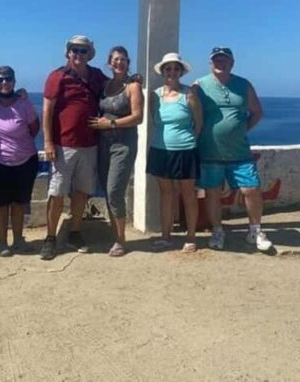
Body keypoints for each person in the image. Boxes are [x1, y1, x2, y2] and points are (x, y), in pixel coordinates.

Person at [194, 46, 273, 252]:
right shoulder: (199, 85)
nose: (220, 63)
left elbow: (257, 112)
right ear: (210, 63)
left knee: (251, 189)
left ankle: (255, 231)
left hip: (239, 152)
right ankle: (217, 230)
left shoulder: (244, 85)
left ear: (232, 63)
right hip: (209, 151)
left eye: (224, 59)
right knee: (212, 192)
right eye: (216, 59)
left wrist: (241, 130)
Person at [40, 35, 106, 260]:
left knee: (82, 192)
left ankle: (75, 232)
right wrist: (48, 142)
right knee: (57, 193)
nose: (78, 54)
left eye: (83, 50)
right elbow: (47, 110)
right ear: (68, 52)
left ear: (89, 54)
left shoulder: (96, 75)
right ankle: (50, 238)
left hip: (90, 144)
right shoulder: (57, 76)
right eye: (75, 50)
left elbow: (115, 86)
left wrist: (133, 79)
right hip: (63, 145)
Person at [87, 46, 143, 257]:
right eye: (116, 59)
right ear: (109, 63)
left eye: (123, 59)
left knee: (114, 192)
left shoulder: (133, 86)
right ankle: (115, 235)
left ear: (128, 63)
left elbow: (138, 117)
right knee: (108, 191)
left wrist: (110, 123)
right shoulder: (104, 85)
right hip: (103, 145)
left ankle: (121, 240)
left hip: (123, 146)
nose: (119, 63)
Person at [146, 53, 203, 253]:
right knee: (166, 194)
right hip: (160, 150)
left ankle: (191, 237)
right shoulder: (155, 95)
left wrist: (187, 141)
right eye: (168, 68)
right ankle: (165, 237)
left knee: (188, 194)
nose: (172, 72)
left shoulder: (189, 94)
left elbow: (199, 124)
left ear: (181, 72)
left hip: (185, 151)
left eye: (176, 68)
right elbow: (154, 120)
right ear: (163, 72)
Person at [0, 65, 40, 256]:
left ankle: (18, 240)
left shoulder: (24, 102)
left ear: (14, 81)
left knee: (19, 203)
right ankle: (2, 242)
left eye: (8, 78)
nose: (4, 82)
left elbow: (34, 128)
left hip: (25, 160)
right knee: (1, 204)